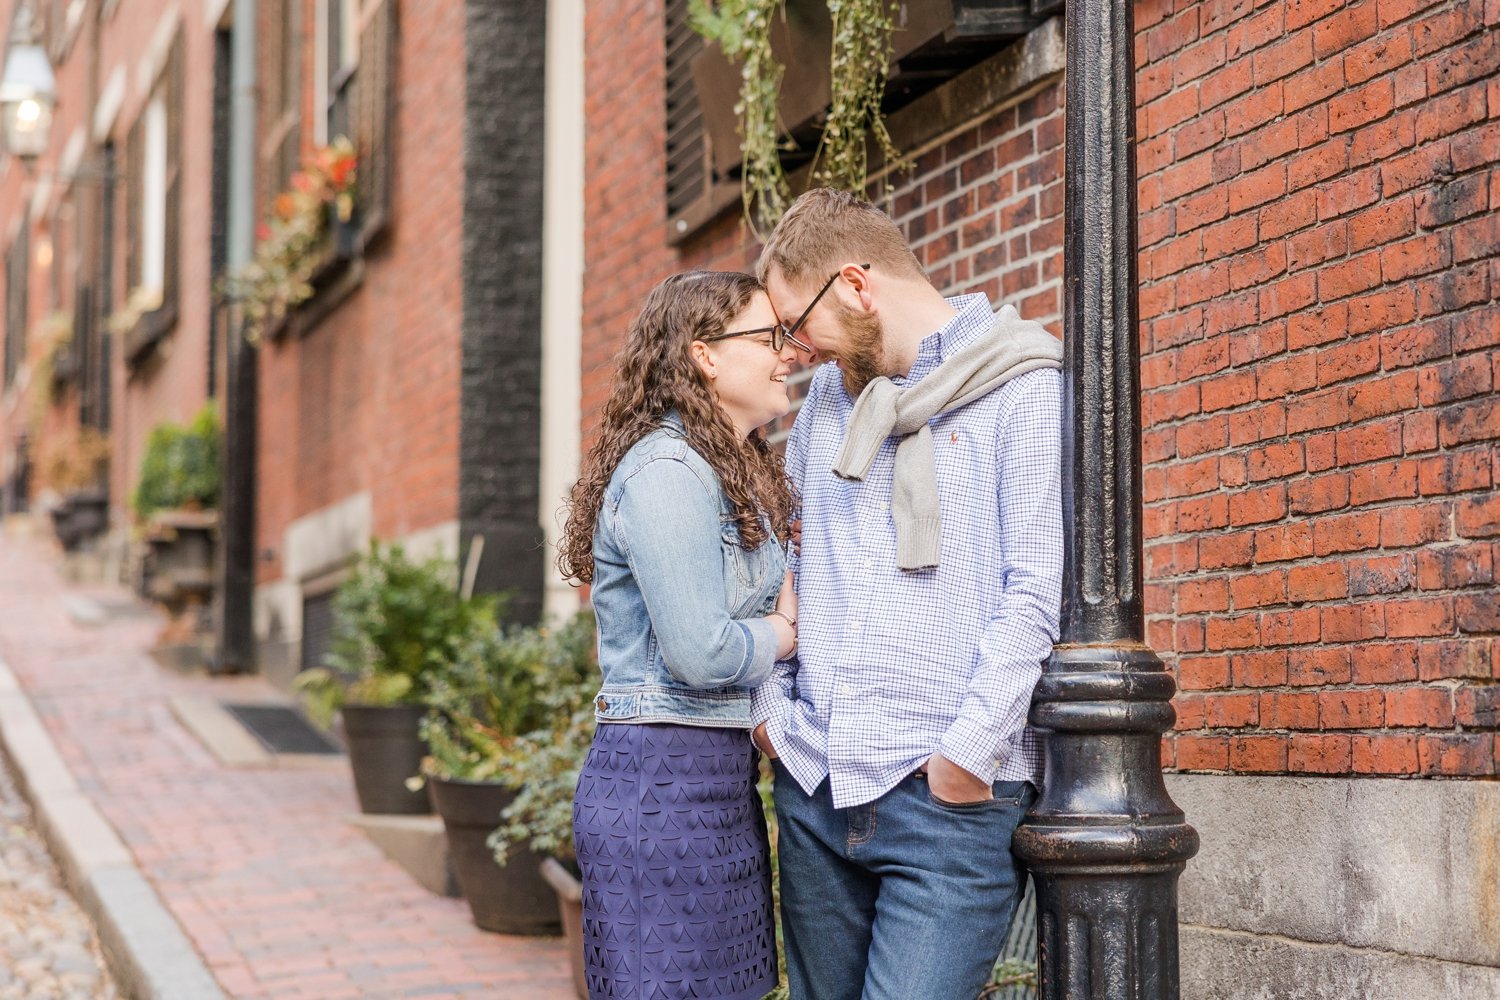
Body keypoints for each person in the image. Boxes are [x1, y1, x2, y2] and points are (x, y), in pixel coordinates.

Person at [750, 188, 1064, 1000]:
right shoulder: (825, 404)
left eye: (795, 323)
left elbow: (1034, 591)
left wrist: (965, 755)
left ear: (855, 284)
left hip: (945, 806)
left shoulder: (1021, 383)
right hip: (817, 781)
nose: (792, 351)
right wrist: (772, 718)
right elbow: (792, 556)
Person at [557, 270, 802, 1000]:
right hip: (658, 791)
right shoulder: (668, 472)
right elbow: (701, 654)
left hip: (712, 786)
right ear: (705, 356)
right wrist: (785, 633)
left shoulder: (729, 467)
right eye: (767, 337)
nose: (784, 354)